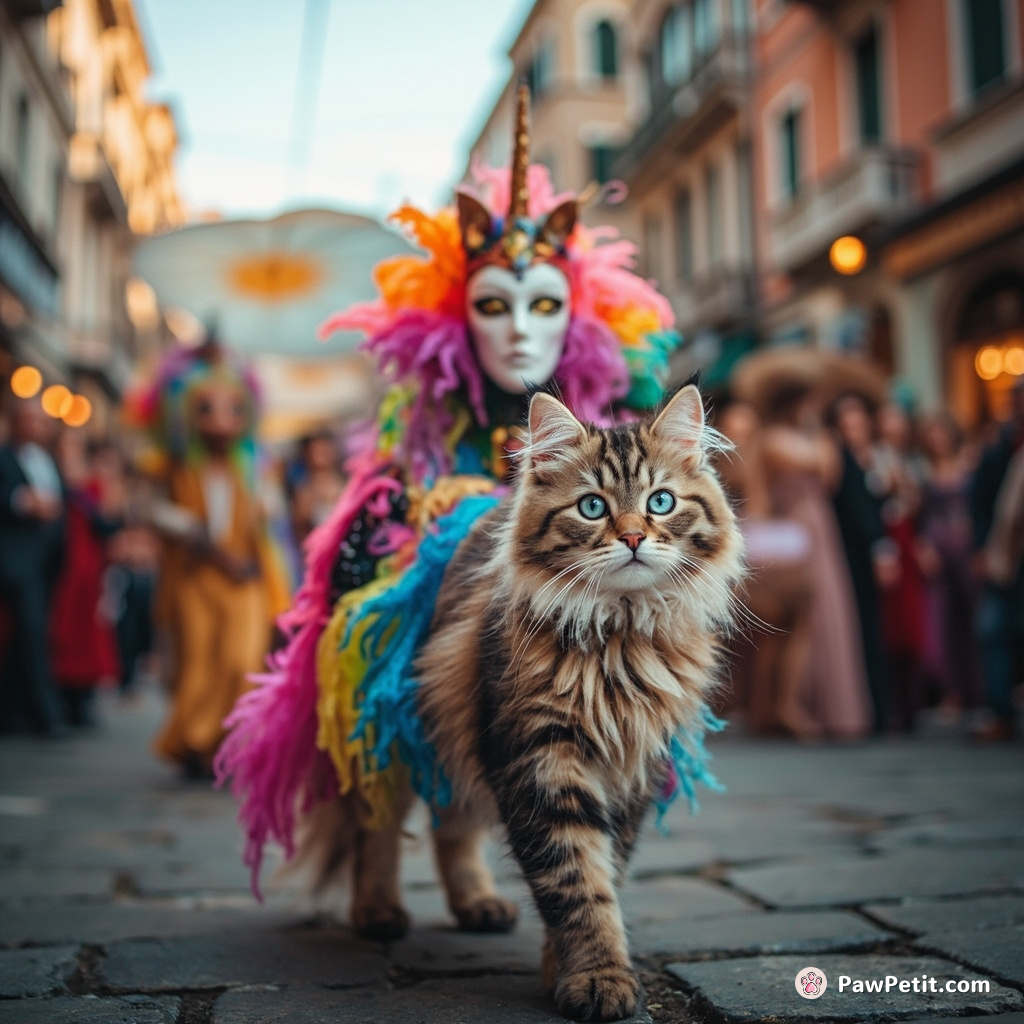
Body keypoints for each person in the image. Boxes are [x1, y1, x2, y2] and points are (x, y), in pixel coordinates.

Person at [216, 86, 687, 893]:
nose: (517, 331)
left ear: (574, 312)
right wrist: (426, 502)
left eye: (542, 306)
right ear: (455, 314)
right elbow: (393, 473)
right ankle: (378, 850)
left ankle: (495, 837)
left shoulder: (606, 401)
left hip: (569, 570)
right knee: (382, 614)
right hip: (447, 555)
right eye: (493, 308)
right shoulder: (424, 403)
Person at [126, 339, 291, 777]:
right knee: (197, 661)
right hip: (195, 578)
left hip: (246, 578)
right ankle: (195, 744)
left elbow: (272, 517)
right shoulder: (175, 466)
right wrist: (192, 531)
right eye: (207, 409)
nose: (221, 421)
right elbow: (153, 509)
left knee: (242, 660)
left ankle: (232, 744)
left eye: (233, 409)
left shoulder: (255, 468)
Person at [733, 353, 872, 741]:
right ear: (796, 401)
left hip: (809, 533)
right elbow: (826, 469)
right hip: (796, 537)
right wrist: (819, 430)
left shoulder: (778, 438)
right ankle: (788, 707)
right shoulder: (777, 440)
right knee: (795, 625)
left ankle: (784, 708)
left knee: (795, 626)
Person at [828, 392, 897, 733]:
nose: (853, 428)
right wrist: (879, 548)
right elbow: (860, 514)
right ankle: (877, 711)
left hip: (873, 550)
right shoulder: (841, 458)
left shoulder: (879, 457)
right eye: (846, 422)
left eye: (858, 421)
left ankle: (888, 707)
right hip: (852, 555)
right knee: (865, 629)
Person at [0, 396, 66, 735]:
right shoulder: (5, 457)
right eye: (29, 419)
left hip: (45, 561)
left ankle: (10, 712)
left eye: (41, 420)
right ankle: (46, 716)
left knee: (24, 638)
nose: (35, 426)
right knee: (31, 634)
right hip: (15, 561)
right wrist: (23, 501)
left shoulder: (49, 460)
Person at [49, 430, 122, 726]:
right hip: (63, 564)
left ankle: (82, 697)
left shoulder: (94, 482)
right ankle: (63, 697)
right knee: (62, 627)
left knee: (88, 629)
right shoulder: (53, 476)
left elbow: (109, 521)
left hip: (89, 566)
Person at [970, 380, 1024, 740]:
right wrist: (982, 549)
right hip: (1006, 556)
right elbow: (981, 504)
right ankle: (1000, 711)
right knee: (994, 631)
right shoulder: (999, 449)